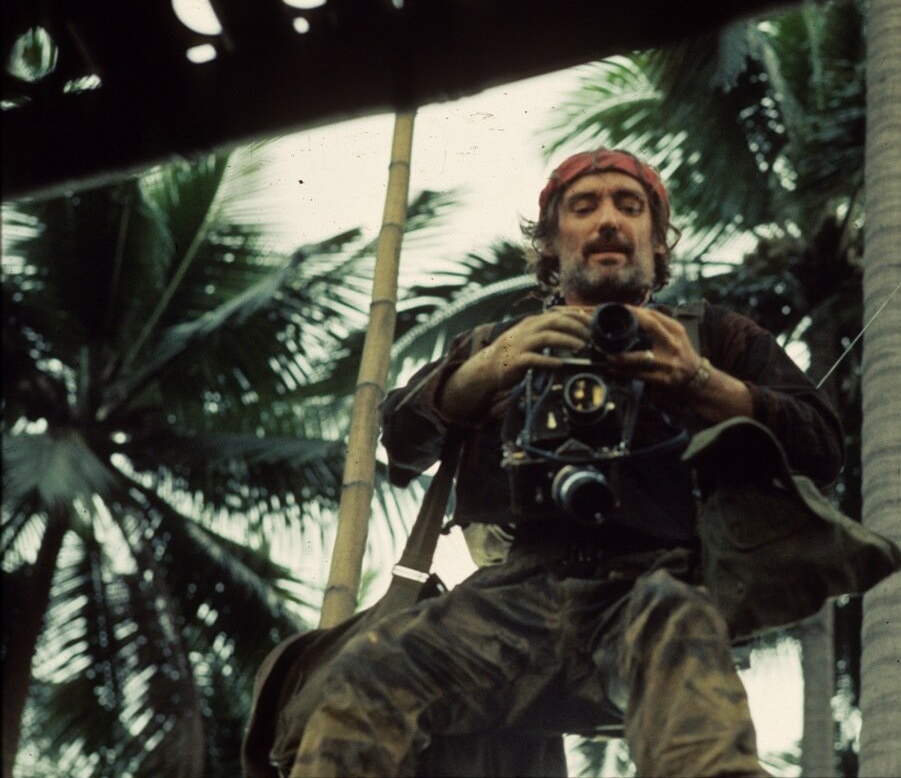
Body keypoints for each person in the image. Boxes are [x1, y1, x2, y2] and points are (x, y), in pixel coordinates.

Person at [288, 148, 845, 777]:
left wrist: (699, 380)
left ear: (657, 242)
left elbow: (821, 449)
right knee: (370, 672)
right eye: (584, 207)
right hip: (513, 593)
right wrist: (487, 369)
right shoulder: (499, 342)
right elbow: (399, 440)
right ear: (551, 244)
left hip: (653, 589)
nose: (608, 220)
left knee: (688, 653)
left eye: (629, 206)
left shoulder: (711, 337)